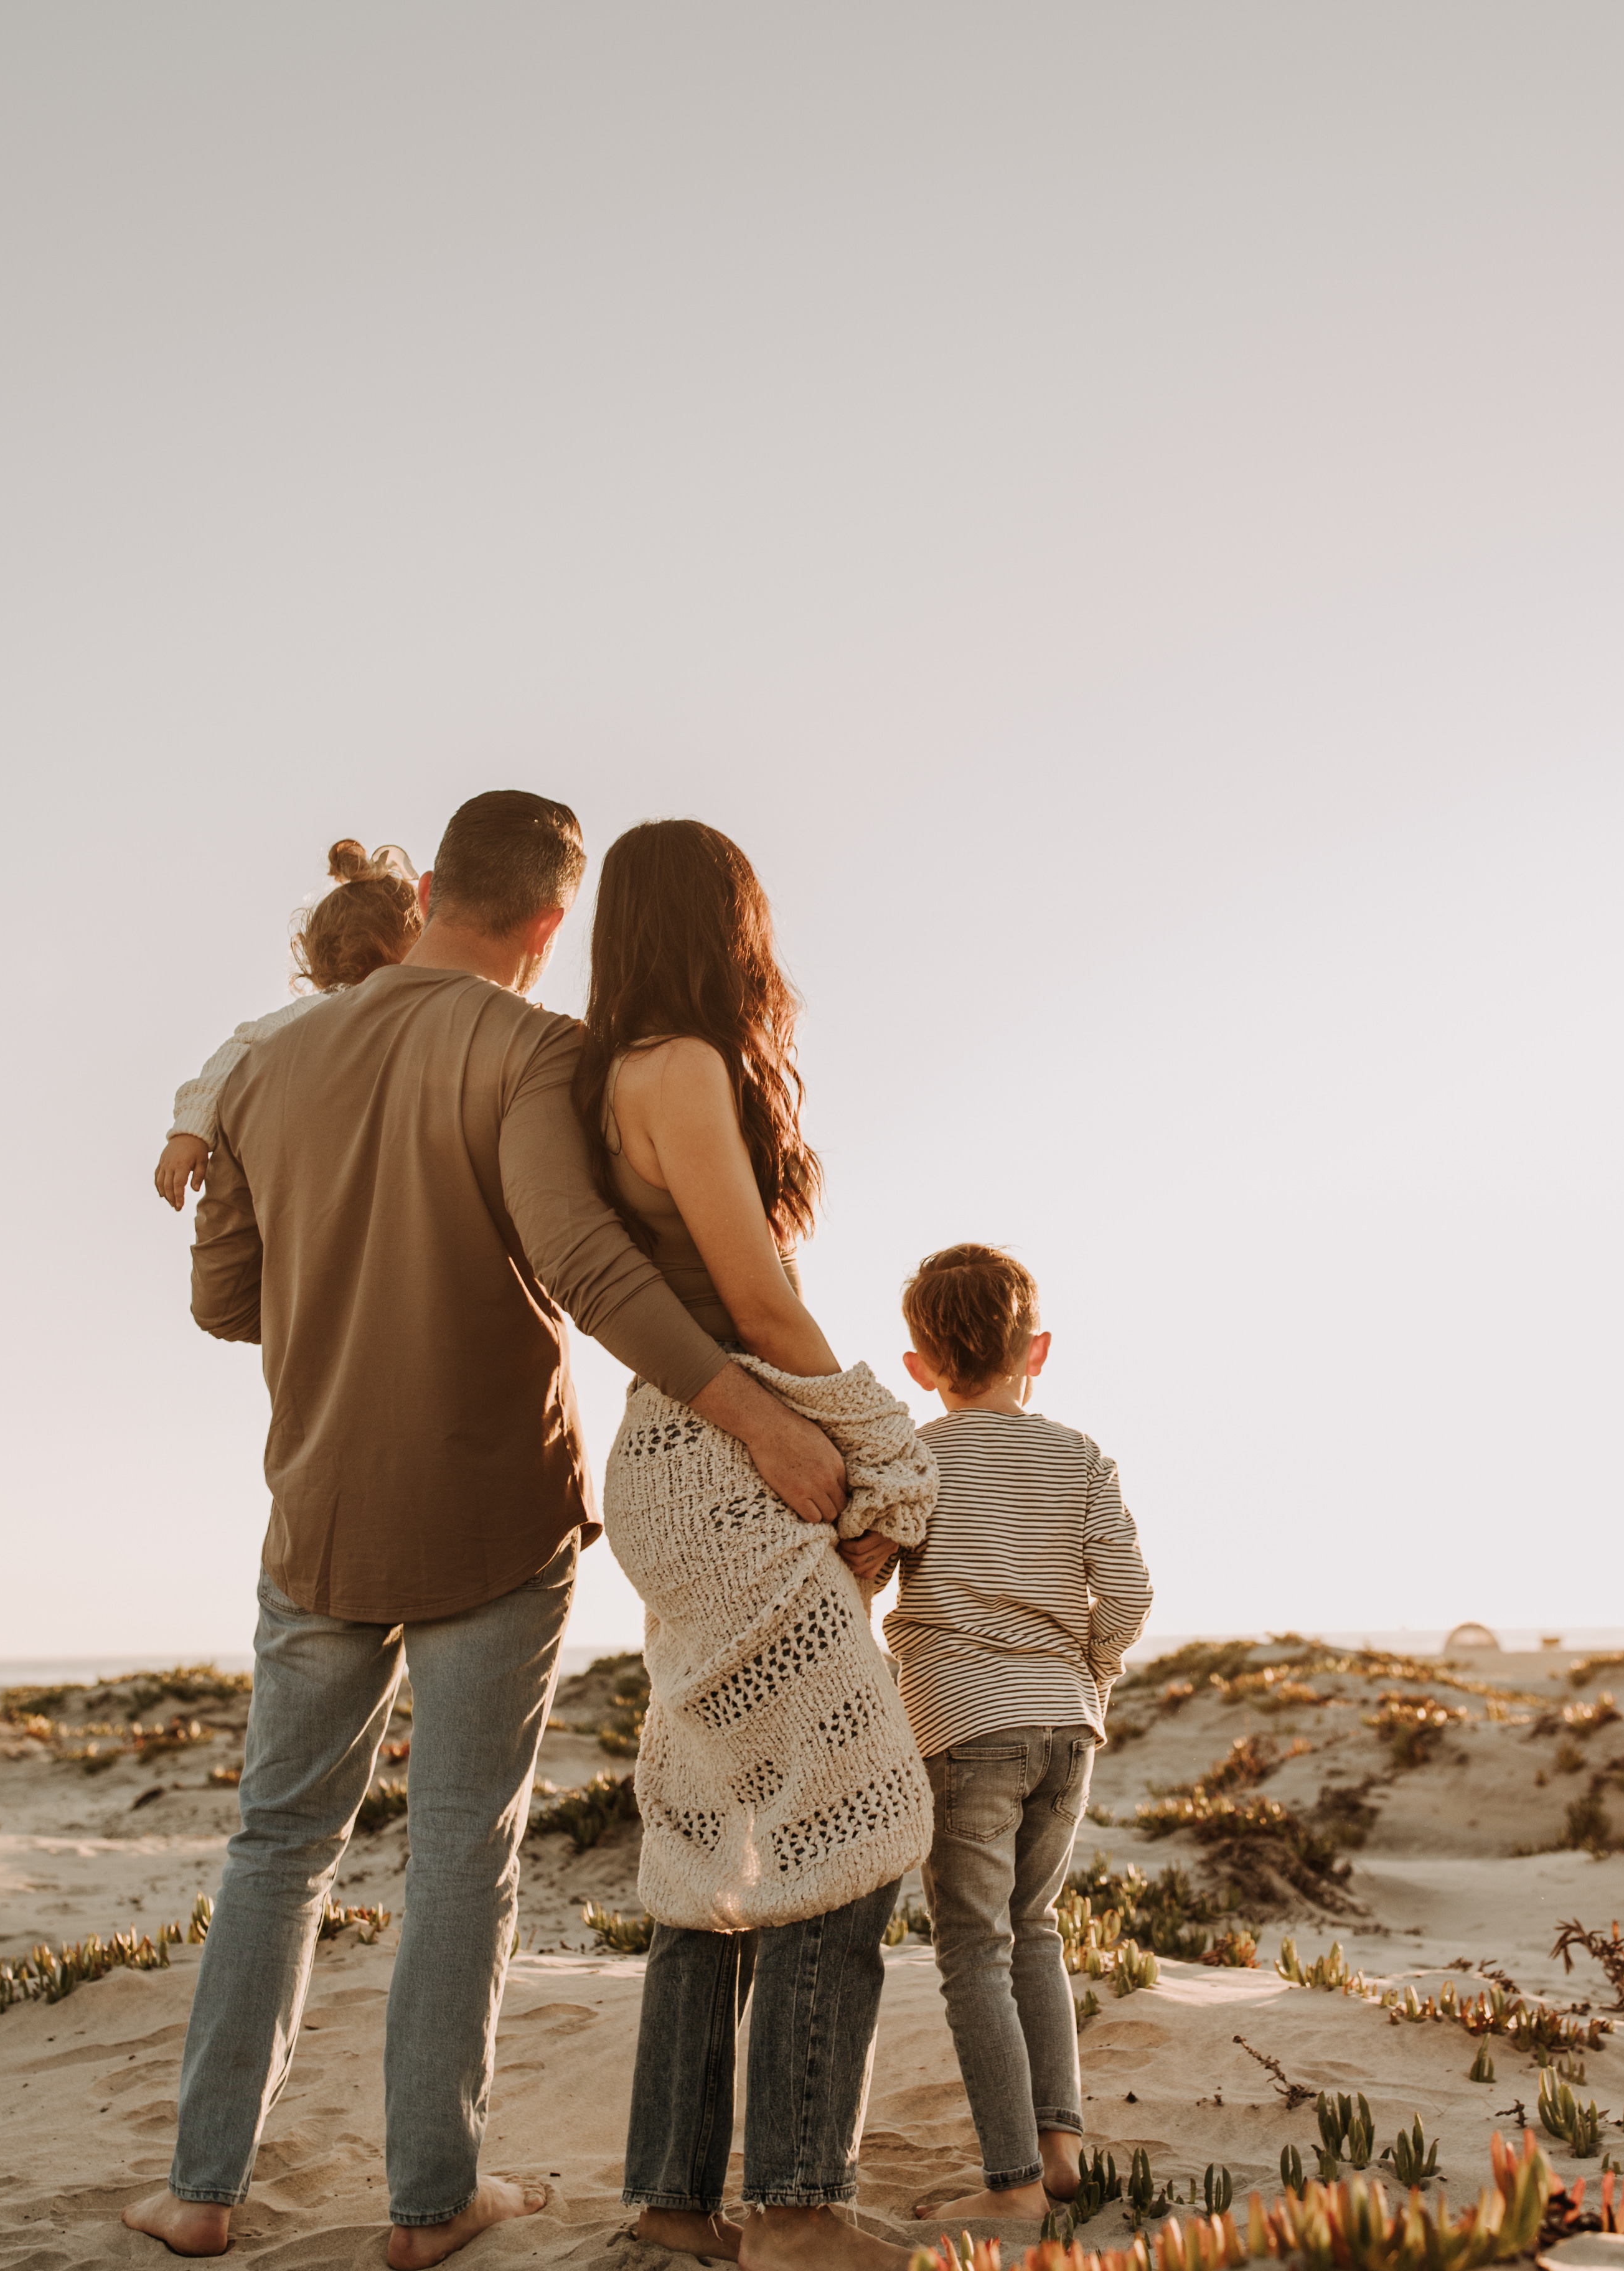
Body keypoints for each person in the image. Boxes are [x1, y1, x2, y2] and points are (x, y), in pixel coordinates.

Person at [123, 792, 852, 2265]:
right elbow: (587, 1266)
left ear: (433, 886)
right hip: (495, 1509)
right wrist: (764, 1414)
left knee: (277, 1846)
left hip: (316, 1505)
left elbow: (224, 1307)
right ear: (545, 924)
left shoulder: (266, 1059)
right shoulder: (533, 1049)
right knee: (462, 1848)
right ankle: (431, 2197)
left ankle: (202, 2189)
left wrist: (255, 1197)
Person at [580, 819, 935, 2271]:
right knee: (849, 1823)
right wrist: (877, 1435)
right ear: (728, 926)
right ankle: (792, 2202)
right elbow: (756, 1301)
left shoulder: (602, 1079)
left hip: (664, 1458)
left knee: (712, 1821)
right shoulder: (685, 1070)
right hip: (727, 1452)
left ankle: (672, 2201)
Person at [880, 1244, 1152, 2222]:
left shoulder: (917, 1456)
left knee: (973, 1951)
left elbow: (869, 1563)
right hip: (1066, 1723)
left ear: (919, 1367)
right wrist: (1092, 1674)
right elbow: (1127, 1593)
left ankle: (1013, 2189)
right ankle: (1059, 2146)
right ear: (1037, 1350)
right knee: (1034, 1931)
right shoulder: (1082, 1457)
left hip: (963, 1723)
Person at [153, 839, 421, 1210]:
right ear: (406, 945)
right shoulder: (320, 1012)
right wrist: (191, 1131)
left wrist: (190, 1134)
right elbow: (238, 1052)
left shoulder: (402, 1012)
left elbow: (236, 1051)